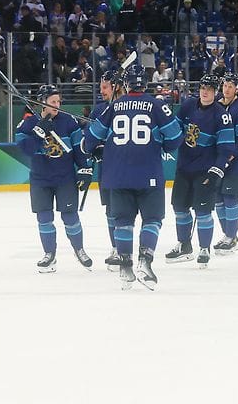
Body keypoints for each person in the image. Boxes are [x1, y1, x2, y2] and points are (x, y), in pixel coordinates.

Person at [81, 65, 183, 290]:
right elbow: (176, 137)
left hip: (116, 175)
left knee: (123, 222)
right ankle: (145, 262)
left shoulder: (113, 107)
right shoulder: (157, 105)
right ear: (145, 84)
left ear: (126, 84)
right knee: (152, 219)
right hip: (148, 173)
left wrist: (98, 145)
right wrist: (162, 144)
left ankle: (125, 268)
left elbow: (90, 140)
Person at [15, 85, 93, 272]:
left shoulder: (69, 122)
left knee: (70, 217)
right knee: (44, 218)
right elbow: (26, 149)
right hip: (40, 179)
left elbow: (78, 148)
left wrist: (85, 168)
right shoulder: (28, 124)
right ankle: (49, 255)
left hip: (65, 178)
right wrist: (38, 132)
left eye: (58, 101)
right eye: (53, 102)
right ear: (42, 102)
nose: (57, 105)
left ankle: (79, 249)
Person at [165, 73, 235, 268]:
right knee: (180, 208)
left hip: (205, 170)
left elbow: (226, 148)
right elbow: (174, 130)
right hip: (184, 168)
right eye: (203, 88)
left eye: (210, 89)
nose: (205, 92)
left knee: (203, 211)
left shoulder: (222, 115)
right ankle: (184, 245)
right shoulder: (188, 105)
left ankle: (204, 248)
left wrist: (216, 171)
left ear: (215, 91)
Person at [213, 70, 238, 254]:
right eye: (225, 85)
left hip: (237, 163)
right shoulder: (217, 105)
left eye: (231, 86)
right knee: (217, 198)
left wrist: (228, 156)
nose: (227, 89)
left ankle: (231, 236)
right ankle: (227, 235)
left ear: (237, 89)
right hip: (218, 161)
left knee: (230, 197)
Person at [91, 69, 125, 271]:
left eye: (105, 87)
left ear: (116, 87)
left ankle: (126, 248)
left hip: (127, 168)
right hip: (107, 170)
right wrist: (95, 148)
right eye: (100, 87)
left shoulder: (128, 107)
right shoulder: (99, 111)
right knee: (111, 211)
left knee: (125, 211)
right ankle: (116, 248)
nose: (101, 91)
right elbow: (91, 137)